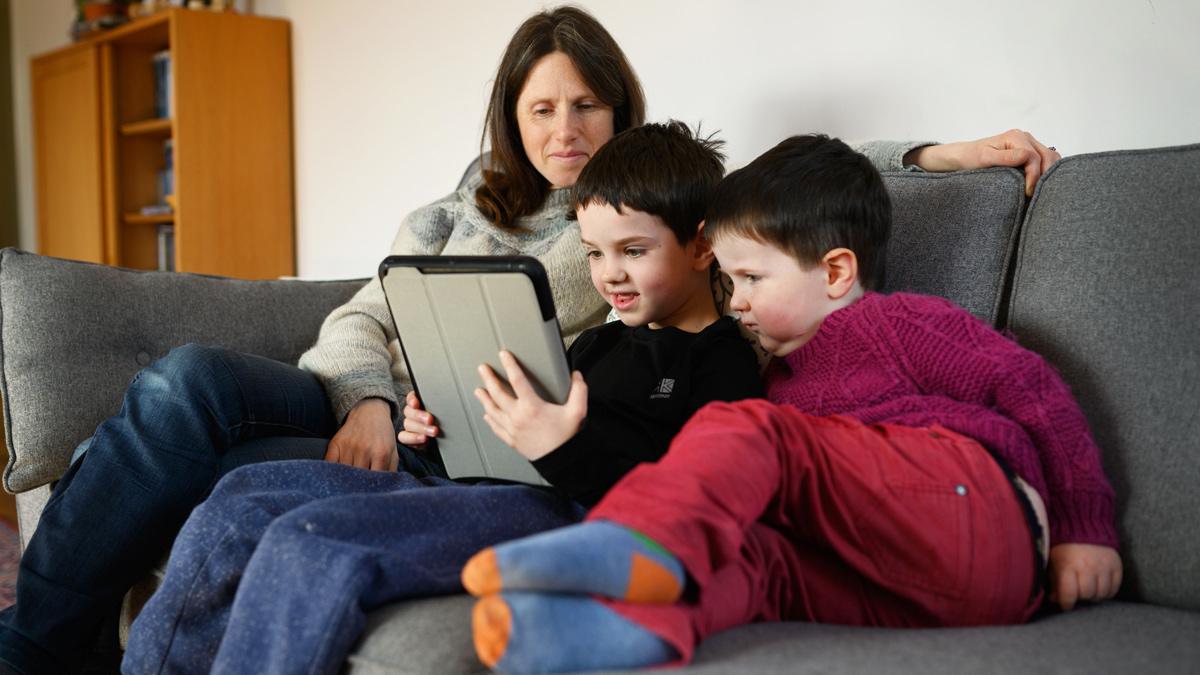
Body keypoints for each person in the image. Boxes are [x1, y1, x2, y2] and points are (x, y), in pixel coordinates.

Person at [0, 4, 1062, 672]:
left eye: (587, 107)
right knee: (189, 400)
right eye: (542, 108)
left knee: (233, 488)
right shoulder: (461, 216)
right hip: (392, 410)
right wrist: (378, 399)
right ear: (510, 116)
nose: (563, 130)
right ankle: (46, 642)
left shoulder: (650, 218)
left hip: (501, 463)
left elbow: (781, 197)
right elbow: (362, 317)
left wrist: (931, 151)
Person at [461, 134, 1123, 674]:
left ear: (836, 272)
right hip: (923, 589)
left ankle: (635, 541)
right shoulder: (772, 379)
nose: (736, 298)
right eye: (728, 277)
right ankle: (613, 628)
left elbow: (1031, 387)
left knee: (744, 430)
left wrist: (1083, 527)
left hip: (977, 511)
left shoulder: (899, 324)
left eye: (750, 277)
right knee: (757, 565)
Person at [120, 121, 764, 674]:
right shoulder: (597, 345)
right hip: (473, 483)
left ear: (702, 244)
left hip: (562, 514)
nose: (609, 275)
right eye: (594, 253)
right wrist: (444, 424)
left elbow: (677, 501)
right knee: (235, 505)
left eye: (633, 251)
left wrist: (563, 445)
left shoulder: (724, 364)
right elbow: (517, 419)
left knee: (312, 546)